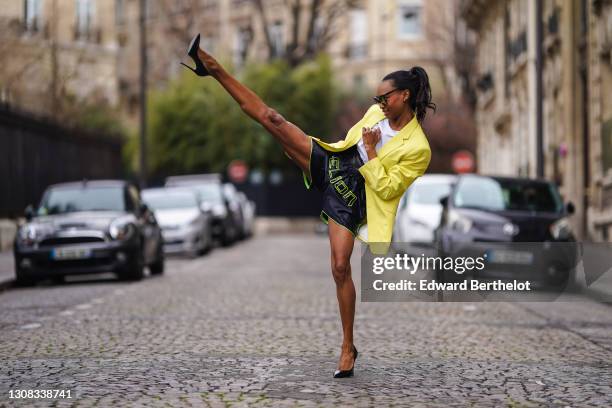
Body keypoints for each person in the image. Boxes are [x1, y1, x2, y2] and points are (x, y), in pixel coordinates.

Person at [181, 34, 433, 378]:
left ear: (404, 95)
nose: (379, 102)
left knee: (340, 267)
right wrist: (341, 152)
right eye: (378, 97)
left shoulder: (419, 148)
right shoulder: (375, 112)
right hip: (334, 161)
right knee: (272, 119)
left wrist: (373, 151)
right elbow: (350, 143)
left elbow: (388, 189)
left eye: (385, 96)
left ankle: (348, 346)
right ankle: (212, 68)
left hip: (356, 196)